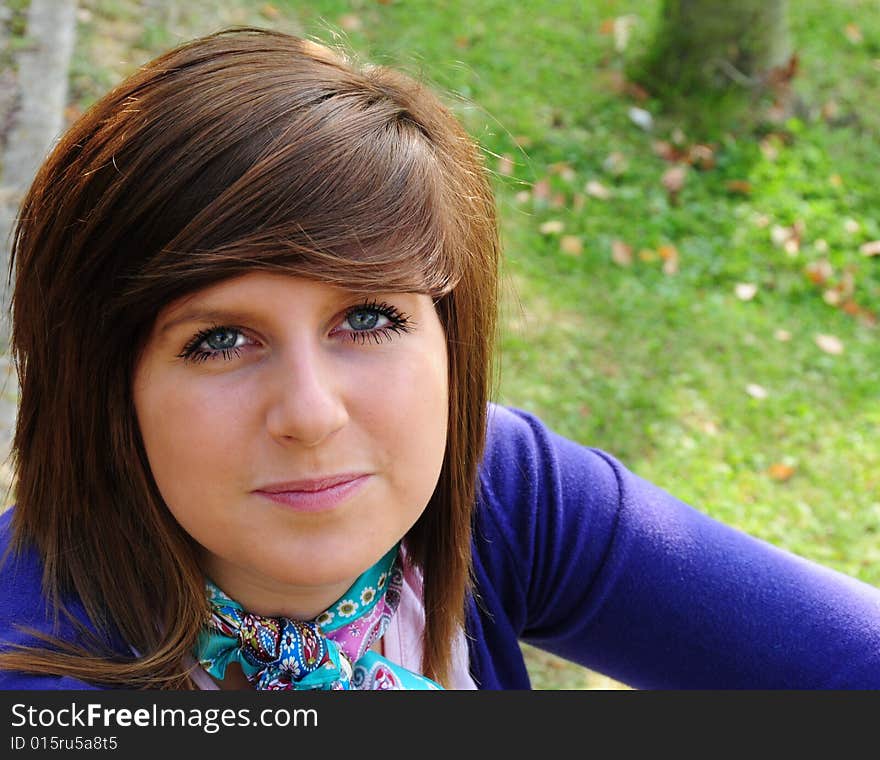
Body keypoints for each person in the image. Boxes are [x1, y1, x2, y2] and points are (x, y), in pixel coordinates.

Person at [0, 28, 878, 692]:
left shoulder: (499, 491)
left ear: (450, 341)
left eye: (371, 317)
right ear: (103, 390)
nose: (311, 413)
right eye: (219, 341)